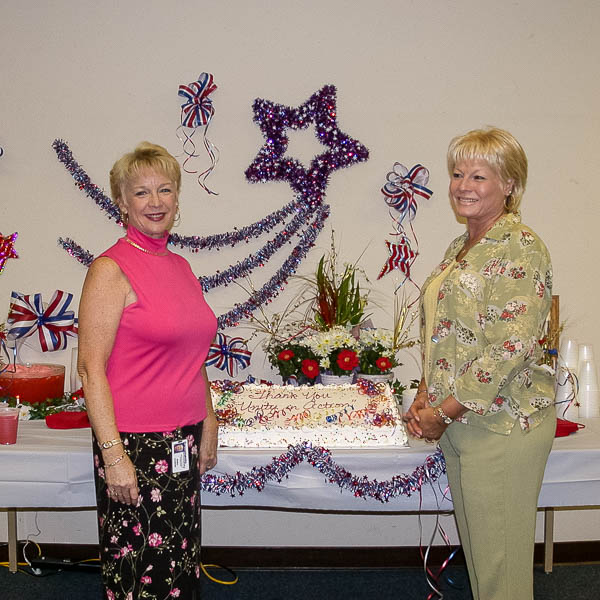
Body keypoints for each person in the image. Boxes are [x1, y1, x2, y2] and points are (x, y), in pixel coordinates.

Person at [404, 127, 555, 600]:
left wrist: (444, 410)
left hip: (504, 425)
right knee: (483, 564)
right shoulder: (460, 247)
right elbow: (443, 332)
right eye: (456, 173)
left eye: (479, 175)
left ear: (509, 185)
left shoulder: (520, 246)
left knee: (501, 573)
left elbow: (510, 345)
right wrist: (426, 394)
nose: (463, 185)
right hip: (462, 421)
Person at [78, 142, 218, 600]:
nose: (155, 202)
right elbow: (89, 368)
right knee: (140, 571)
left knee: (179, 565)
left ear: (178, 198)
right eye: (141, 192)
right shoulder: (110, 269)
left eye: (164, 190)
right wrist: (113, 457)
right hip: (133, 446)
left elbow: (191, 355)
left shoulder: (180, 266)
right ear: (121, 202)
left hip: (184, 437)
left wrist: (210, 419)